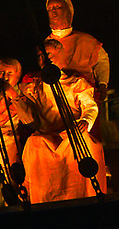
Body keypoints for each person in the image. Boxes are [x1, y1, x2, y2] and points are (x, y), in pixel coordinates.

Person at [21, 49, 106, 201]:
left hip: (72, 134)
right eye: (40, 56)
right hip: (46, 137)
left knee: (84, 144)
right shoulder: (33, 86)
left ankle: (85, 196)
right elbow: (27, 113)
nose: (45, 59)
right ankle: (42, 199)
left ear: (61, 57)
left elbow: (89, 106)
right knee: (33, 144)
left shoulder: (76, 83)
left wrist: (85, 120)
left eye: (49, 54)